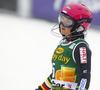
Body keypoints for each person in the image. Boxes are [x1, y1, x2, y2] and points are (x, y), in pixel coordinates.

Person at [35, 3, 92, 90]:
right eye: (61, 19)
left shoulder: (81, 47)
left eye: (67, 22)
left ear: (79, 26)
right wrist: (41, 89)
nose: (62, 24)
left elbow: (85, 76)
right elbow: (55, 76)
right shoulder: (63, 43)